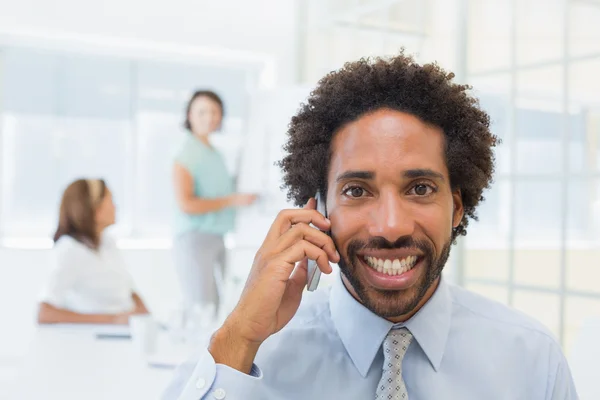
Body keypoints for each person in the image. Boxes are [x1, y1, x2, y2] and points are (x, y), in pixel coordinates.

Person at [163, 54, 578, 399]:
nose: (391, 226)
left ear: (456, 208)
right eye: (357, 191)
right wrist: (238, 338)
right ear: (317, 210)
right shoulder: (242, 360)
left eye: (419, 187)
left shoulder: (531, 361)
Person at [172, 90, 257, 315]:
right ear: (190, 115)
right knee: (202, 308)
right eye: (202, 112)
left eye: (214, 111)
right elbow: (186, 204)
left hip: (217, 238)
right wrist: (232, 200)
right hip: (195, 239)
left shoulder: (214, 153)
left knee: (216, 307)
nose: (209, 117)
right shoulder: (186, 155)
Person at [38, 179, 148, 324]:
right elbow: (45, 313)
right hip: (91, 337)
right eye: (110, 199)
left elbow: (128, 289)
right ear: (93, 207)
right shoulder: (69, 250)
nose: (115, 206)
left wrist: (142, 313)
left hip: (123, 333)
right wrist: (111, 320)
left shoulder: (108, 243)